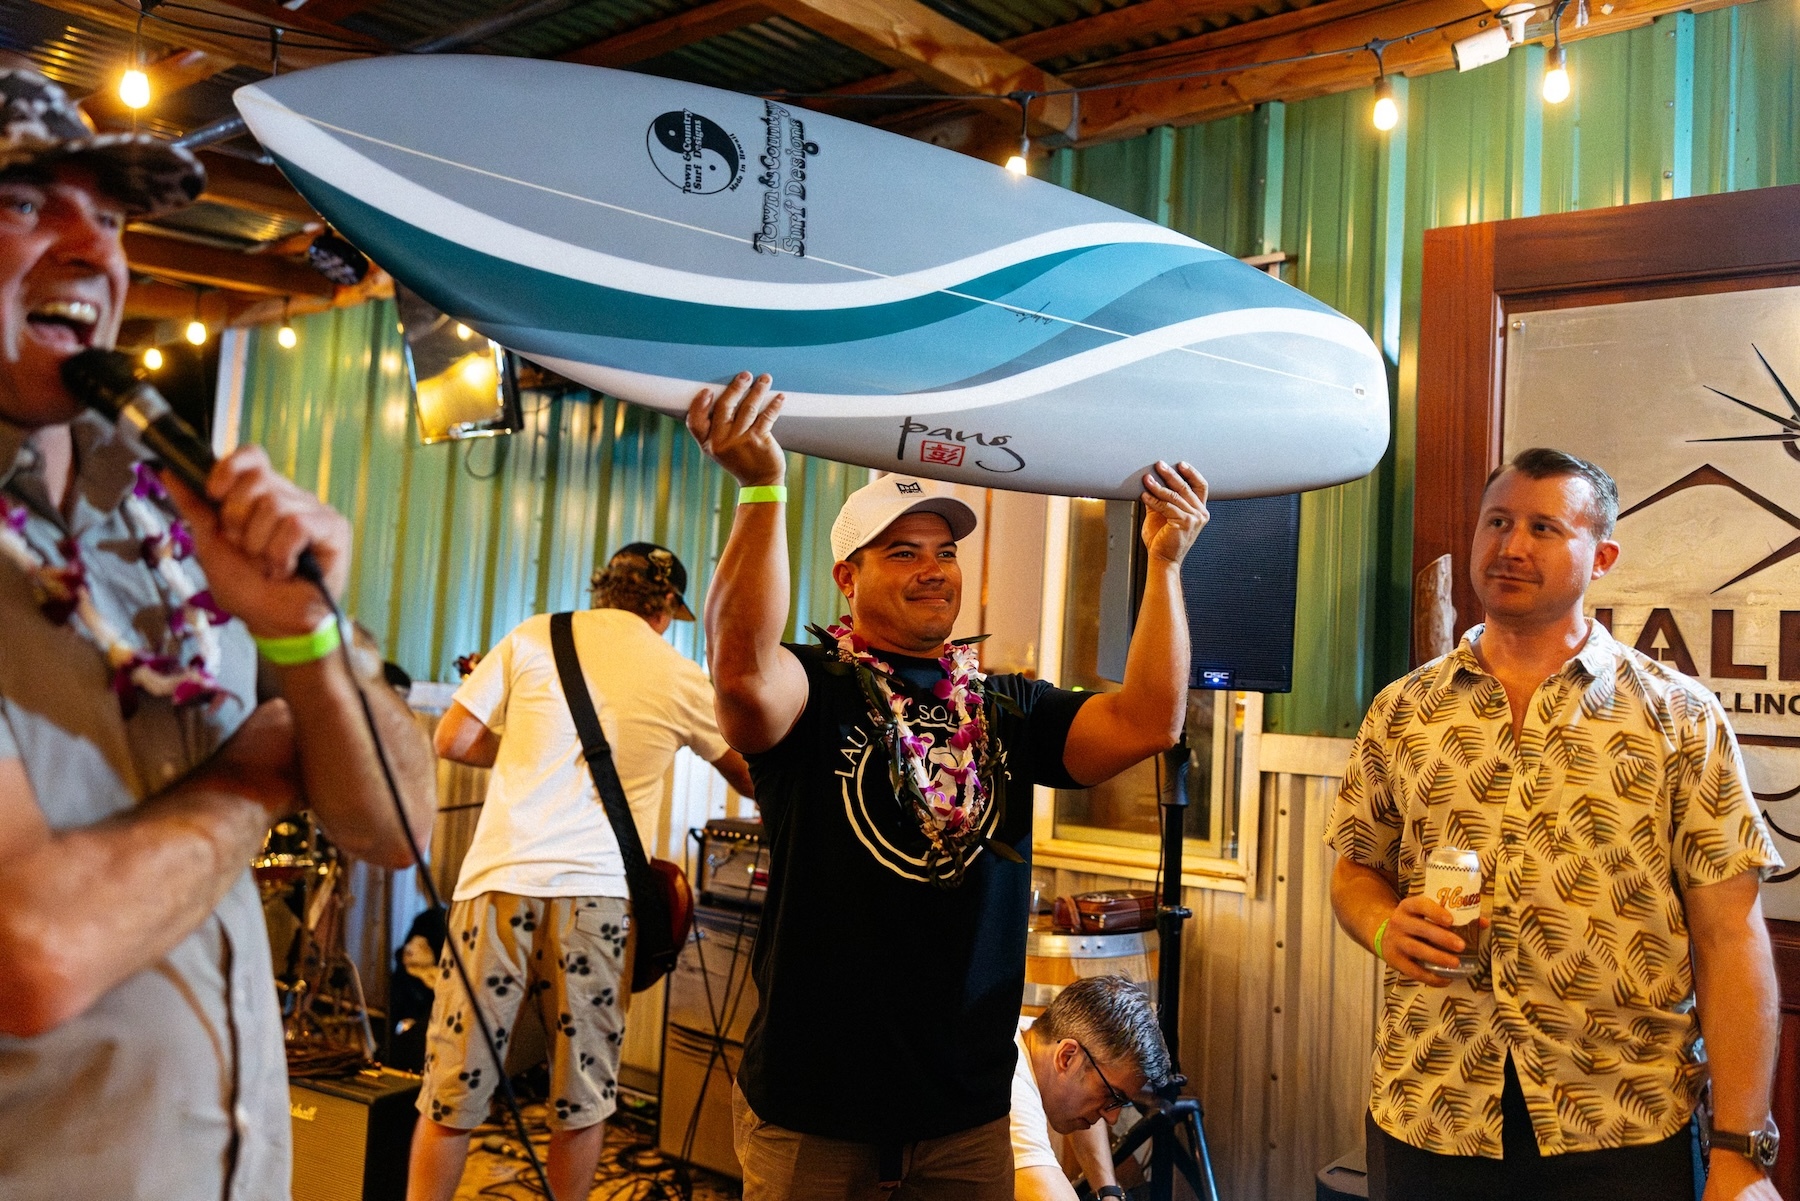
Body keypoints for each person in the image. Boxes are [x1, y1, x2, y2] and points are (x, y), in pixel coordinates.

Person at [0, 62, 437, 1199]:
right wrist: (253, 779)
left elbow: (394, 825)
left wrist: (308, 645)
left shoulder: (160, 518)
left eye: (107, 216)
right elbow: (33, 954)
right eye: (22, 202)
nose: (91, 250)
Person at [686, 372, 1211, 1199]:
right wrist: (761, 484)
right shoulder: (814, 686)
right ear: (846, 578)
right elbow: (743, 673)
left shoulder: (1006, 704)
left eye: (946, 551)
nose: (934, 570)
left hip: (965, 1119)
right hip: (814, 1112)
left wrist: (1165, 562)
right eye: (903, 551)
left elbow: (1148, 720)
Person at [1325, 448, 1785, 1201]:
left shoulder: (1678, 715)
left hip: (1621, 1119)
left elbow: (1730, 936)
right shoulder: (1403, 709)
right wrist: (1382, 925)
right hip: (1432, 1106)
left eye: (1544, 527)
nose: (1510, 546)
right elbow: (1355, 868)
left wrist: (1743, 1148)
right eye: (1497, 521)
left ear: (1601, 555)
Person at [410, 542, 755, 1201]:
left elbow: (451, 739)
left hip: (496, 884)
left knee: (453, 1085)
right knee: (583, 1091)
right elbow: (746, 770)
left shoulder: (535, 633)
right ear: (665, 610)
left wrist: (529, 753)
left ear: (603, 590)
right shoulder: (680, 674)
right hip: (598, 897)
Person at [1012, 975, 1172, 1201]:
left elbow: (1082, 1090)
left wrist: (1109, 1192)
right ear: (1067, 1057)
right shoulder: (1009, 1081)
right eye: (1112, 1096)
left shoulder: (1033, 1036)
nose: (1113, 1118)